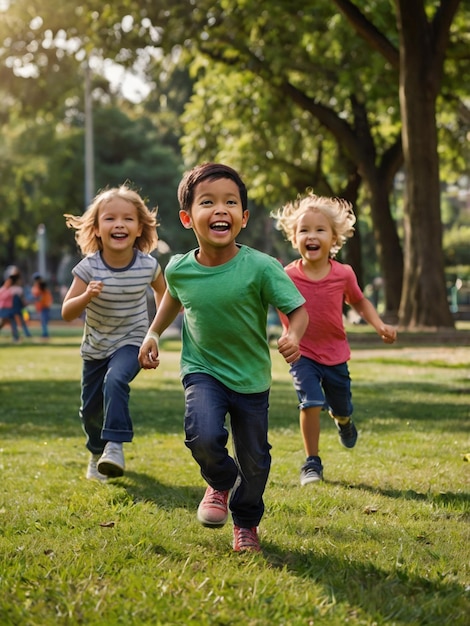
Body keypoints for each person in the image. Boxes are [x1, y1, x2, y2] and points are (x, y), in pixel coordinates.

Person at [139, 163, 308, 553]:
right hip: (202, 371)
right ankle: (219, 480)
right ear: (187, 217)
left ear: (243, 217)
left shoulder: (261, 267)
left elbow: (297, 310)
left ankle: (246, 523)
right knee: (202, 434)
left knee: (257, 462)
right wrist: (152, 332)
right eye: (208, 202)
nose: (221, 209)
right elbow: (172, 301)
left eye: (230, 202)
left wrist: (292, 335)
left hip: (250, 378)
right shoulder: (180, 268)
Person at [272, 192, 397, 486]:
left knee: (341, 406)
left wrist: (379, 324)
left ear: (333, 238)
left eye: (319, 230)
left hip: (336, 354)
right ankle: (311, 462)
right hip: (302, 355)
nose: (311, 235)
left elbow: (360, 301)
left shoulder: (343, 274)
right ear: (294, 238)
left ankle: (343, 421)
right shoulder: (286, 275)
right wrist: (288, 334)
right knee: (310, 401)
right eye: (304, 230)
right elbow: (275, 303)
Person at [62, 184, 166, 482]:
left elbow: (165, 298)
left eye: (127, 219)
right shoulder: (88, 268)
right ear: (96, 228)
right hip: (95, 348)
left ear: (138, 229)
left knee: (116, 380)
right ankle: (97, 452)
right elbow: (67, 312)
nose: (119, 224)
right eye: (110, 218)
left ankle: (115, 445)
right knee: (90, 411)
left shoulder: (148, 266)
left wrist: (154, 335)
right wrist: (86, 297)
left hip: (131, 342)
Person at [31, 274, 52, 339]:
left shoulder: (40, 287)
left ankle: (45, 334)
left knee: (44, 321)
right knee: (43, 321)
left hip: (44, 306)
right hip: (42, 306)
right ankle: (45, 334)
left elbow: (38, 296)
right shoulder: (39, 287)